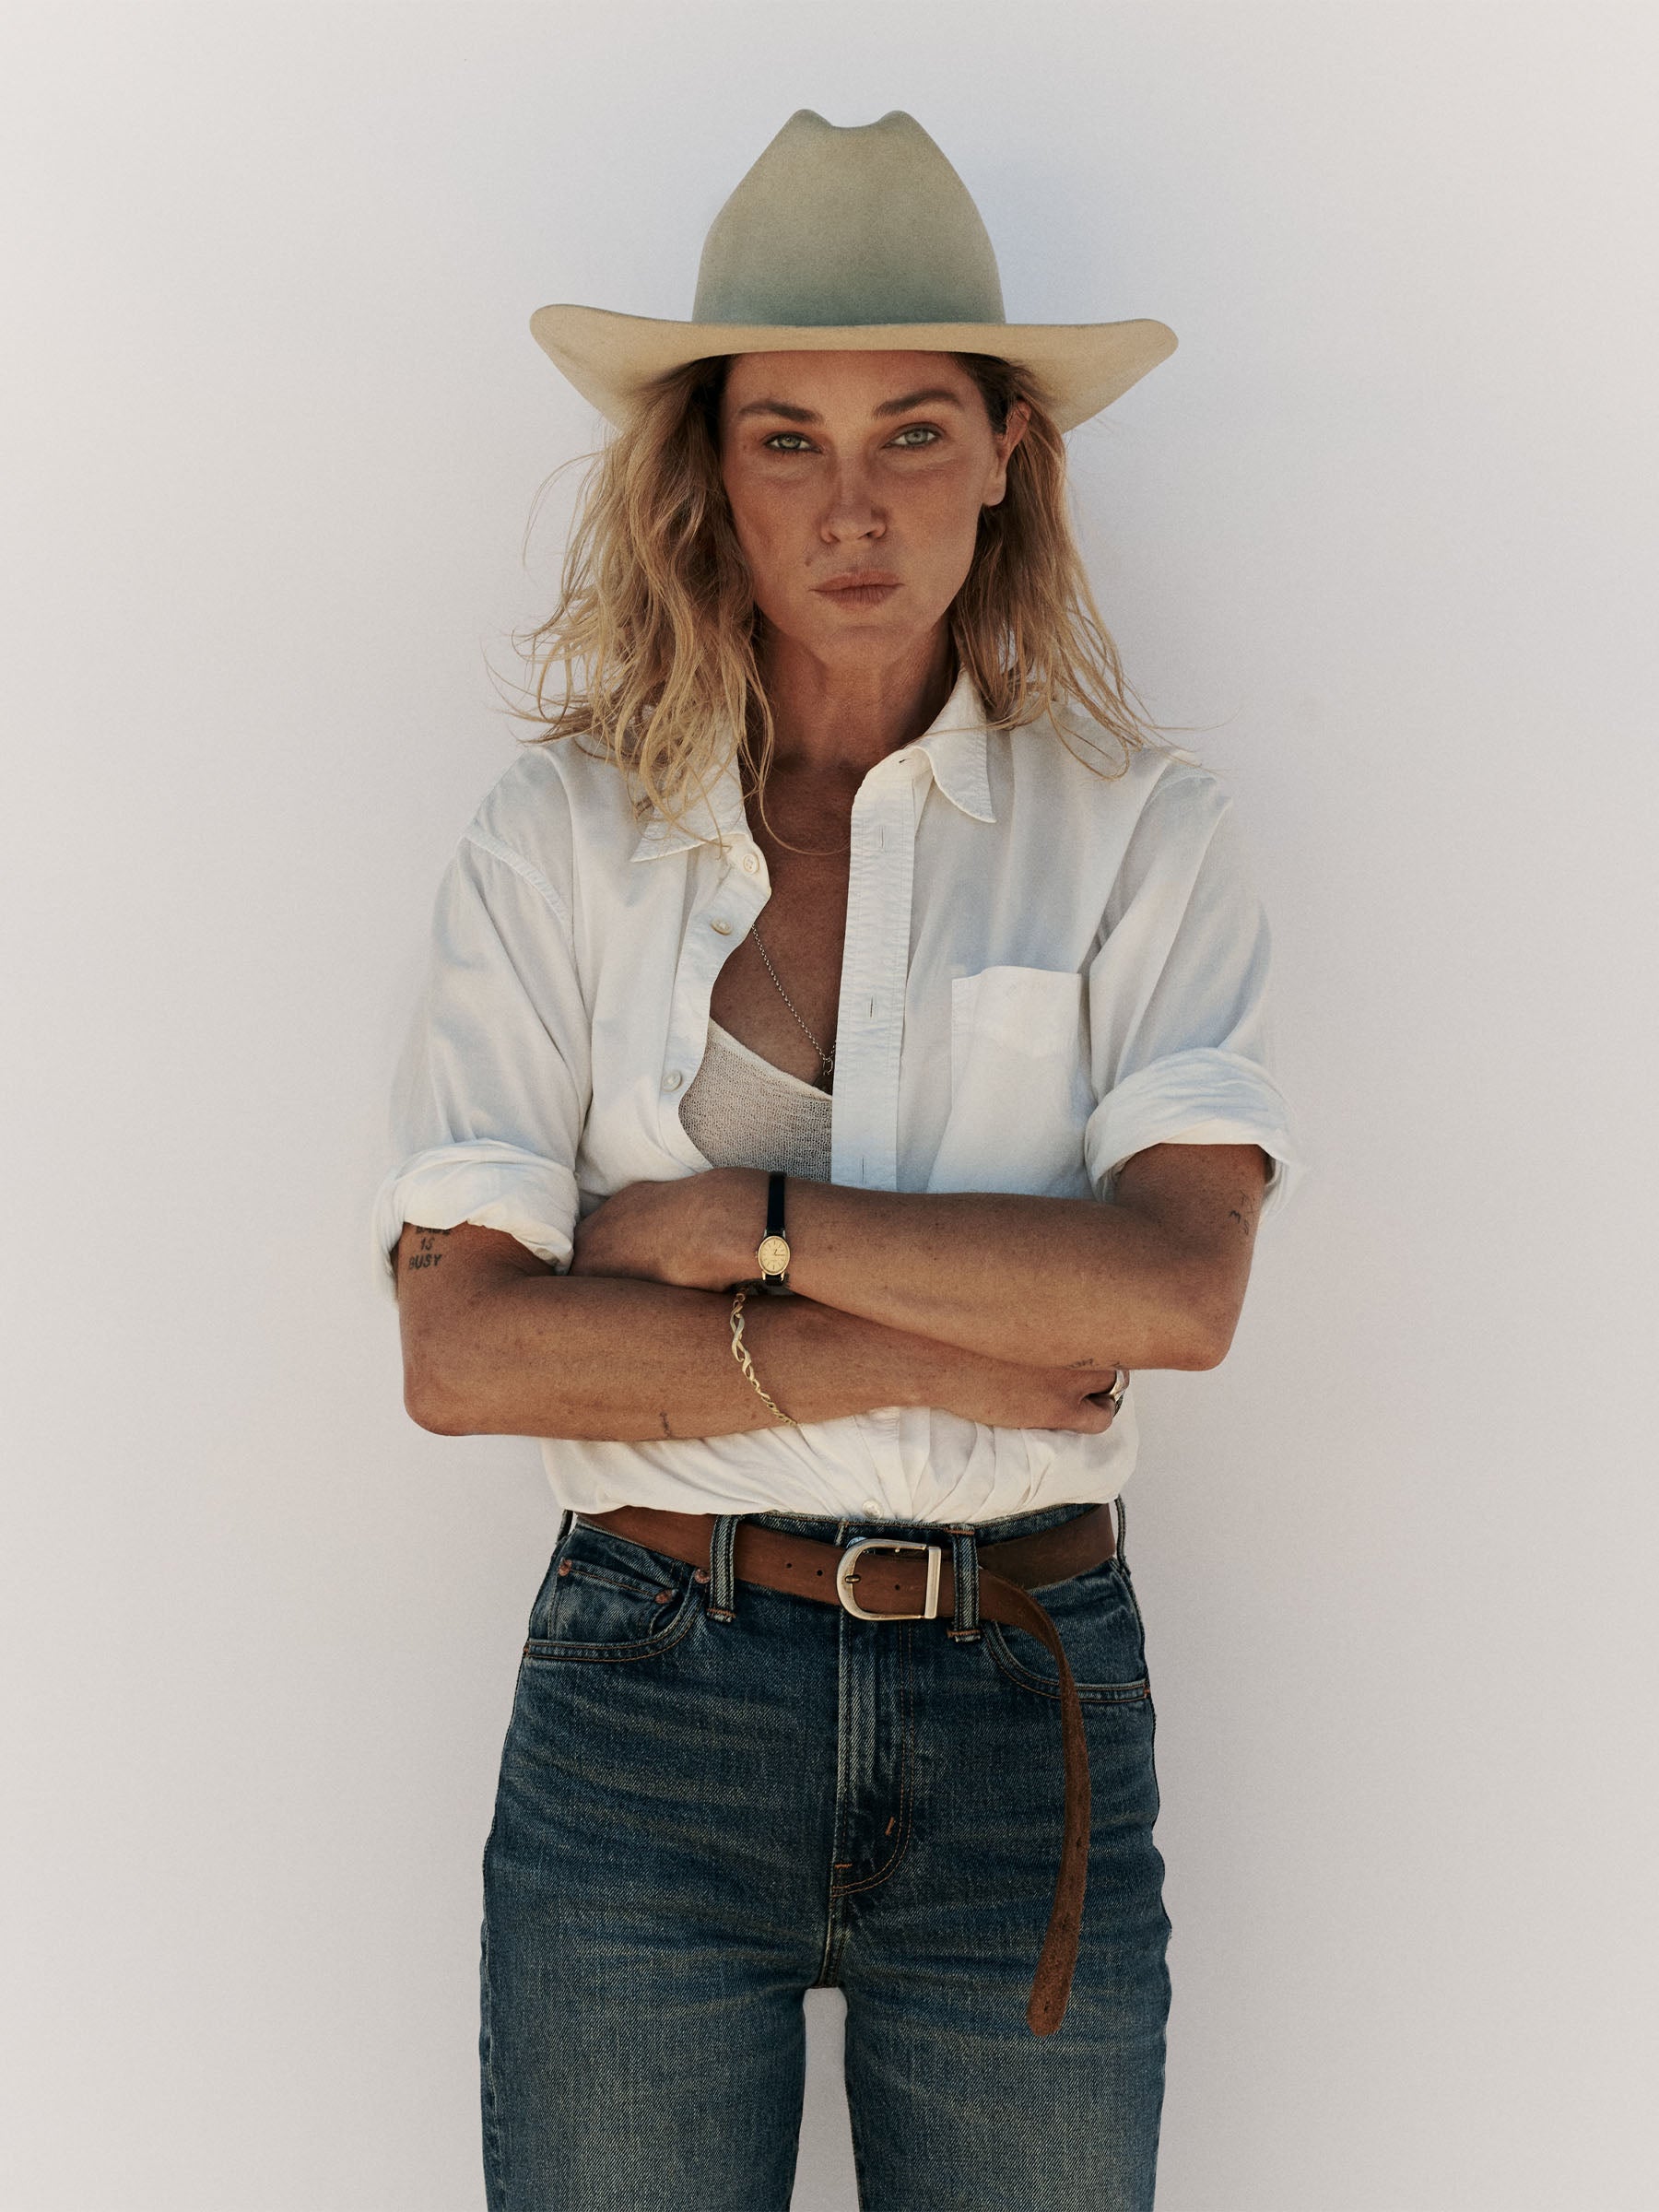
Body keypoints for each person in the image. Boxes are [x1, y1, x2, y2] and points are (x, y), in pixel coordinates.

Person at [371, 109, 1304, 2212]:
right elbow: (467, 1354)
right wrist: (953, 1345)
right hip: (648, 1690)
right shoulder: (561, 841)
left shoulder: (1141, 840)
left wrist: (749, 1228)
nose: (853, 503)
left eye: (913, 432)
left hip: (1024, 1696)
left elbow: (1174, 1292)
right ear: (709, 469)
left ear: (1007, 456)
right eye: (787, 437)